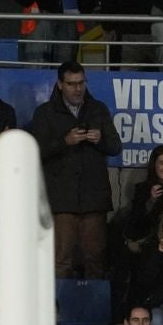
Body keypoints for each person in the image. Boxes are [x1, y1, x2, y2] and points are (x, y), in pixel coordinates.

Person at [30, 60, 121, 279]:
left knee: (95, 260)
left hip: (93, 200)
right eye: (72, 84)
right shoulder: (45, 113)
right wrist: (65, 141)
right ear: (60, 84)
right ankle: (59, 313)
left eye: (81, 83)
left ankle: (93, 313)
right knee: (61, 261)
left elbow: (115, 146)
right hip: (62, 202)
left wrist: (100, 139)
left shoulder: (98, 109)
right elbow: (35, 151)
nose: (78, 89)